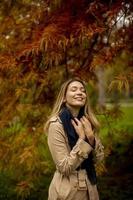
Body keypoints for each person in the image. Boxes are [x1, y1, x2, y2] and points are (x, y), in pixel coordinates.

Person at [45, 78, 104, 200]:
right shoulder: (56, 125)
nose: (80, 92)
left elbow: (98, 159)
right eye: (74, 89)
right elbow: (65, 168)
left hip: (90, 188)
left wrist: (91, 138)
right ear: (64, 97)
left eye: (83, 90)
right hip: (67, 191)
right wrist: (82, 139)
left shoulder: (88, 122)